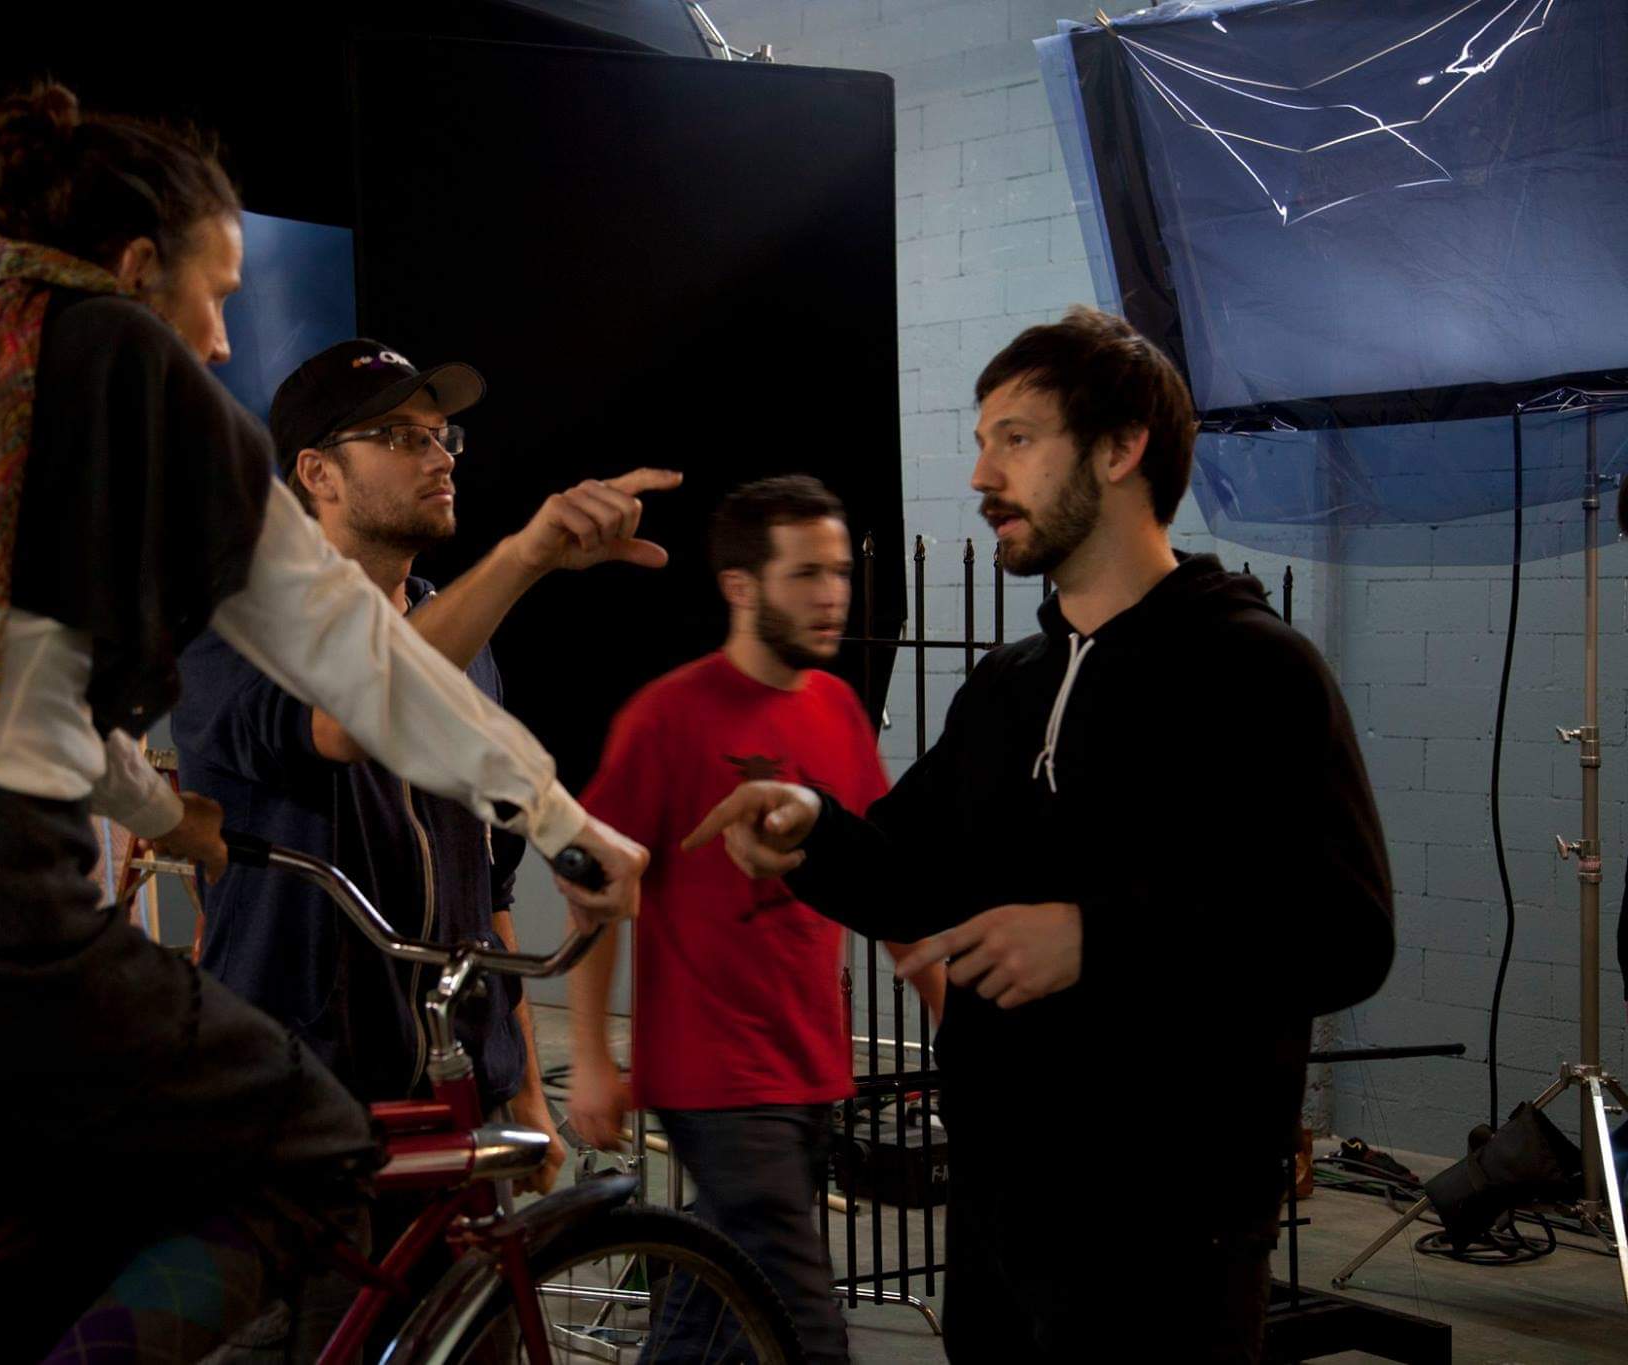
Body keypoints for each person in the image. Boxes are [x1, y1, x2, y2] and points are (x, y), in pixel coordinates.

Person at [0, 82, 645, 1362]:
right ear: (139, 268)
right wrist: (566, 822)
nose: (221, 342)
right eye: (215, 293)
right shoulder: (122, 357)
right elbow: (345, 654)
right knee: (315, 1158)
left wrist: (160, 811)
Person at [686, 307, 1395, 1363]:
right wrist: (809, 830)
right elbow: (908, 877)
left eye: (1015, 439)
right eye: (982, 442)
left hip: (1169, 1234)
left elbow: (1342, 932)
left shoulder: (1253, 669)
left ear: (1120, 448)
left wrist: (1094, 938)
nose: (981, 475)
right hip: (998, 1213)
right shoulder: (1006, 687)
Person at [175, 338, 678, 1201]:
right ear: (318, 474)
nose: (440, 457)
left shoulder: (464, 640)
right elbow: (350, 718)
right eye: (402, 437)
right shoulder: (238, 627)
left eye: (443, 437)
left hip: (459, 1096)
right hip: (300, 1104)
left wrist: (522, 1085)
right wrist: (524, 557)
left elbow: (489, 888)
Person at [565, 474, 944, 1364]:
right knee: (803, 1324)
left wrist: (943, 1002)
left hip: (811, 1063)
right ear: (741, 585)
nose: (834, 595)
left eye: (840, 572)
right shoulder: (669, 716)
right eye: (807, 573)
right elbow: (593, 887)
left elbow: (882, 876)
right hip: (715, 1075)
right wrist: (589, 1057)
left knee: (716, 1303)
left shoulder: (836, 709)